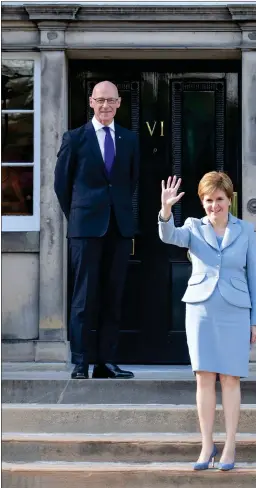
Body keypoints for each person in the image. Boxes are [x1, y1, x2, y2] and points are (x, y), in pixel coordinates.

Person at [158, 172, 256, 471]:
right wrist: (165, 211)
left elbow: (255, 277)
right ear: (201, 202)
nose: (214, 206)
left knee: (230, 378)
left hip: (236, 312)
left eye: (219, 200)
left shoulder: (245, 230)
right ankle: (207, 445)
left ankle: (230, 445)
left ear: (230, 200)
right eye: (208, 200)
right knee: (203, 377)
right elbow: (169, 236)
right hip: (201, 310)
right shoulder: (193, 227)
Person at [54, 81, 139, 380]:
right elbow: (61, 185)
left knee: (112, 297)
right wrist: (77, 217)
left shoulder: (130, 139)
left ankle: (106, 362)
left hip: (118, 228)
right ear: (91, 102)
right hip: (85, 229)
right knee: (83, 299)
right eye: (100, 100)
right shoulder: (75, 138)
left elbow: (130, 181)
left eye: (111, 101)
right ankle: (80, 362)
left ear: (119, 104)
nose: (105, 106)